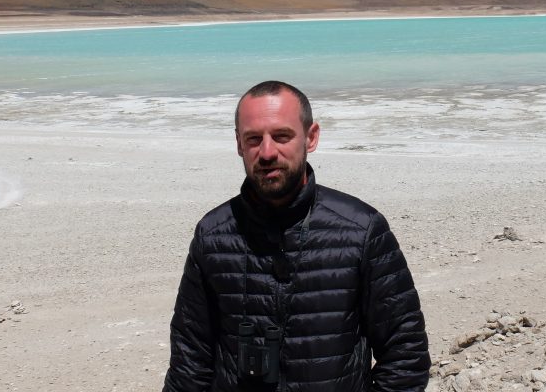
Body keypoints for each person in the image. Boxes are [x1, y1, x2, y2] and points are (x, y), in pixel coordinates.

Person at [162, 80, 430, 392]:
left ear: (310, 137)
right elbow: (190, 363)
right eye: (253, 139)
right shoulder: (213, 235)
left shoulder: (361, 230)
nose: (266, 152)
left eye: (281, 136)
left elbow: (405, 355)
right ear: (238, 144)